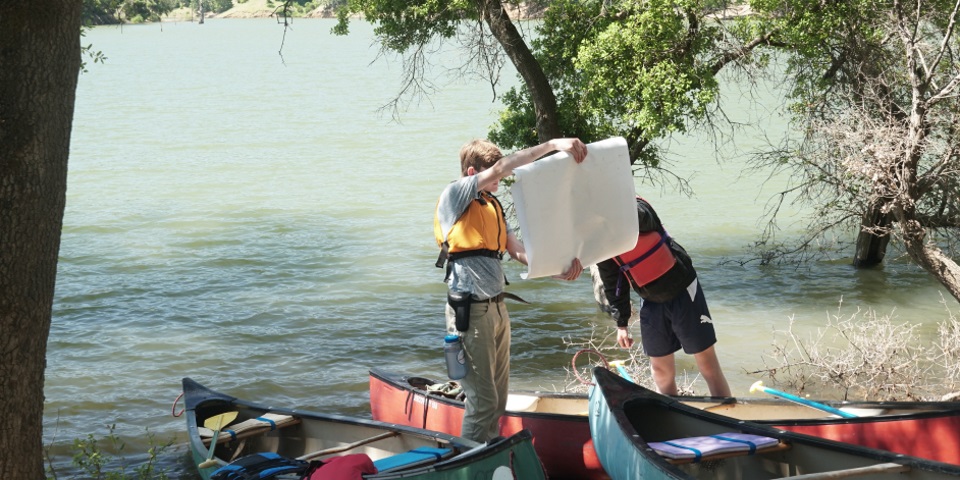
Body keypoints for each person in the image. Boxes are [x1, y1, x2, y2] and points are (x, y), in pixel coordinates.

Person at [433, 137, 587, 442]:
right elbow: (507, 165)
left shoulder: (492, 206)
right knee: (483, 402)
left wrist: (557, 272)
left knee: (498, 400)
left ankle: (490, 459)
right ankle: (470, 468)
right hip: (470, 312)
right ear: (472, 172)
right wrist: (555, 145)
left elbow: (516, 249)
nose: (501, 179)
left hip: (497, 309)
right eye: (495, 175)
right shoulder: (456, 194)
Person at [594, 197, 732, 397]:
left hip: (683, 289)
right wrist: (621, 323)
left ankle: (728, 413)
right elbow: (612, 281)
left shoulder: (639, 208)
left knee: (707, 364)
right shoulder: (600, 240)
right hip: (650, 300)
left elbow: (643, 218)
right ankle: (672, 415)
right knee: (660, 371)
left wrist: (616, 212)